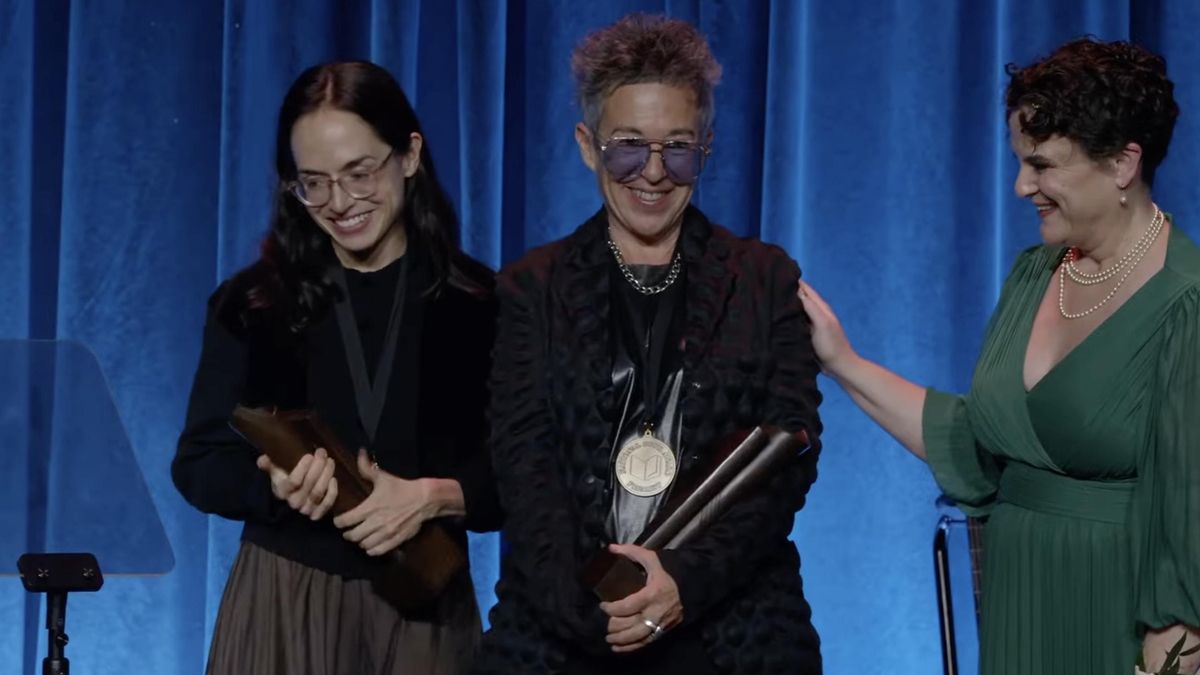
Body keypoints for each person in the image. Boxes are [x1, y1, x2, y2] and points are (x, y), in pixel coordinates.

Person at [798, 38, 1199, 675]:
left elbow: (1188, 524)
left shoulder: (1185, 300)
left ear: (1123, 164)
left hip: (1116, 618)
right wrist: (842, 361)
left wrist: (1169, 660)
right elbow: (977, 446)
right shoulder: (1034, 274)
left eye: (1041, 165)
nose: (1020, 186)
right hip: (1018, 602)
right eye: (1019, 162)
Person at [475, 14, 823, 675]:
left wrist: (683, 584)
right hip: (562, 630)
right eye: (628, 147)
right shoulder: (531, 287)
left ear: (707, 148)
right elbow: (523, 465)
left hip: (731, 632)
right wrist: (596, 613)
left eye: (678, 148)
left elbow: (788, 460)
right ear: (588, 146)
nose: (654, 173)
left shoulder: (763, 277)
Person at [172, 61, 500, 675]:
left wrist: (439, 497)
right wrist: (271, 487)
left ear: (409, 156)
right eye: (313, 183)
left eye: (359, 173)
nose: (340, 203)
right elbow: (198, 463)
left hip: (424, 604)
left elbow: (523, 473)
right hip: (283, 602)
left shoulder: (482, 304)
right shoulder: (252, 305)